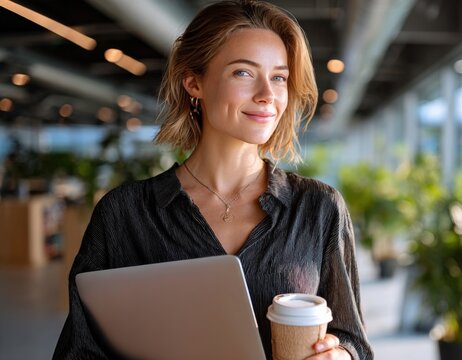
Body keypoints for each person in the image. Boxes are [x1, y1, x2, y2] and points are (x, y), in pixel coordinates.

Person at [53, 1, 373, 359]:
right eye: (244, 73)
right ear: (194, 82)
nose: (268, 94)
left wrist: (340, 355)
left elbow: (353, 339)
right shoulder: (124, 213)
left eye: (279, 77)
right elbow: (79, 350)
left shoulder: (318, 208)